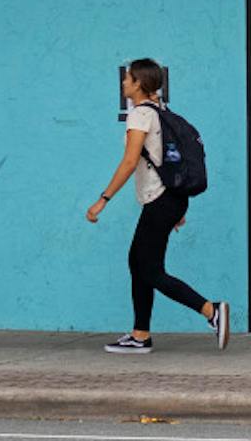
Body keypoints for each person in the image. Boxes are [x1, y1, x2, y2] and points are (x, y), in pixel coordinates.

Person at [86, 58, 229, 354]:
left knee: (149, 269)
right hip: (170, 200)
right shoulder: (160, 112)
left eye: (127, 78)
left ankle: (211, 310)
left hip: (161, 200)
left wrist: (104, 199)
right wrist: (176, 207)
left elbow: (130, 161)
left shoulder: (140, 115)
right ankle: (140, 335)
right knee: (138, 263)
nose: (123, 82)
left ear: (138, 83)